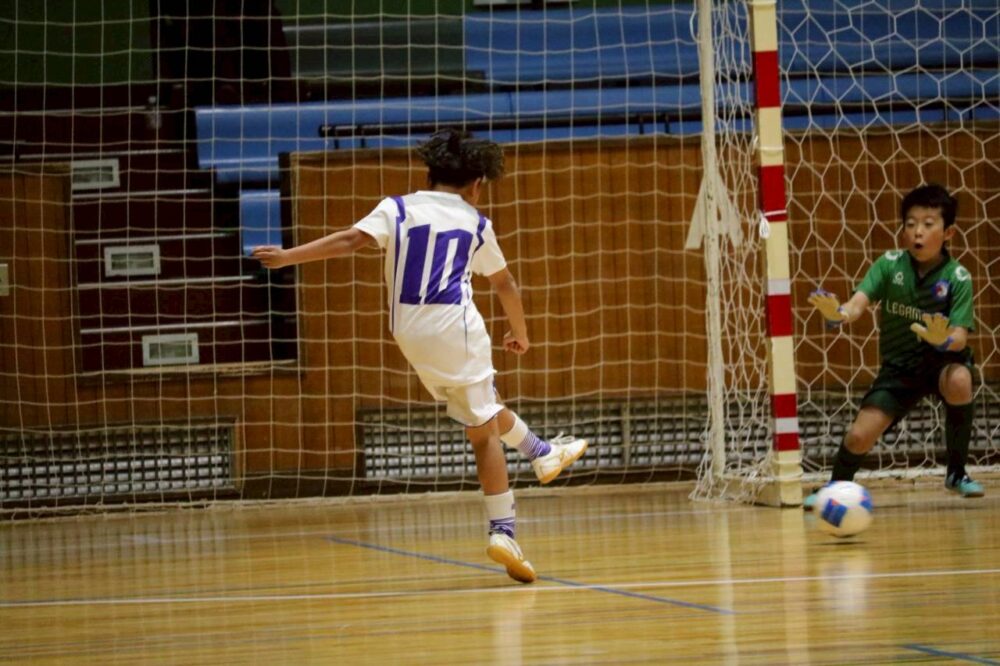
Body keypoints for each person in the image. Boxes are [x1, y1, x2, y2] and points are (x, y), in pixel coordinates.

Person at [252, 128, 587, 583]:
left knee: (482, 404)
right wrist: (520, 332)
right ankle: (503, 531)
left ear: (429, 175)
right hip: (457, 328)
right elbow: (504, 283)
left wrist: (288, 256)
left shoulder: (397, 208)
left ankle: (542, 452)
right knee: (484, 433)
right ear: (477, 184)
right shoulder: (476, 223)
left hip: (409, 333)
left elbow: (349, 241)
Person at [804, 183, 983, 509]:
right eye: (910, 223)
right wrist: (839, 314)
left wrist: (942, 339)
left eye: (928, 224)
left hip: (941, 364)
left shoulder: (958, 277)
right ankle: (835, 487)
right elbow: (857, 304)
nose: (917, 231)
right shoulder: (888, 265)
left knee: (960, 379)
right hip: (899, 370)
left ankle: (956, 473)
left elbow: (960, 336)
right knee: (859, 436)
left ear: (948, 233)